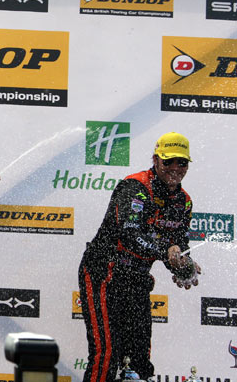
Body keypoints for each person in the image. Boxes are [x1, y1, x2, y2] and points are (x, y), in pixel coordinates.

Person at [78, 132, 202, 382]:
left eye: (182, 163)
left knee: (139, 360)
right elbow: (130, 232)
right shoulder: (135, 186)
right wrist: (166, 253)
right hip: (105, 272)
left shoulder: (184, 202)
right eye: (168, 162)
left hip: (136, 278)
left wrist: (183, 264)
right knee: (107, 354)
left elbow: (178, 243)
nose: (175, 168)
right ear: (156, 160)